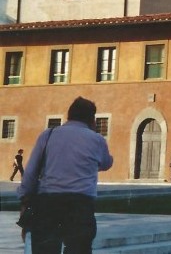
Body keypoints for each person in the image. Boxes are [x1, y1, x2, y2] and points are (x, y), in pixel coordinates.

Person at [16, 97, 113, 253]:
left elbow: (30, 173)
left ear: (69, 115)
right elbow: (106, 163)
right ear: (91, 118)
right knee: (78, 249)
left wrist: (24, 200)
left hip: (48, 203)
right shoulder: (96, 139)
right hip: (80, 205)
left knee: (45, 249)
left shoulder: (47, 135)